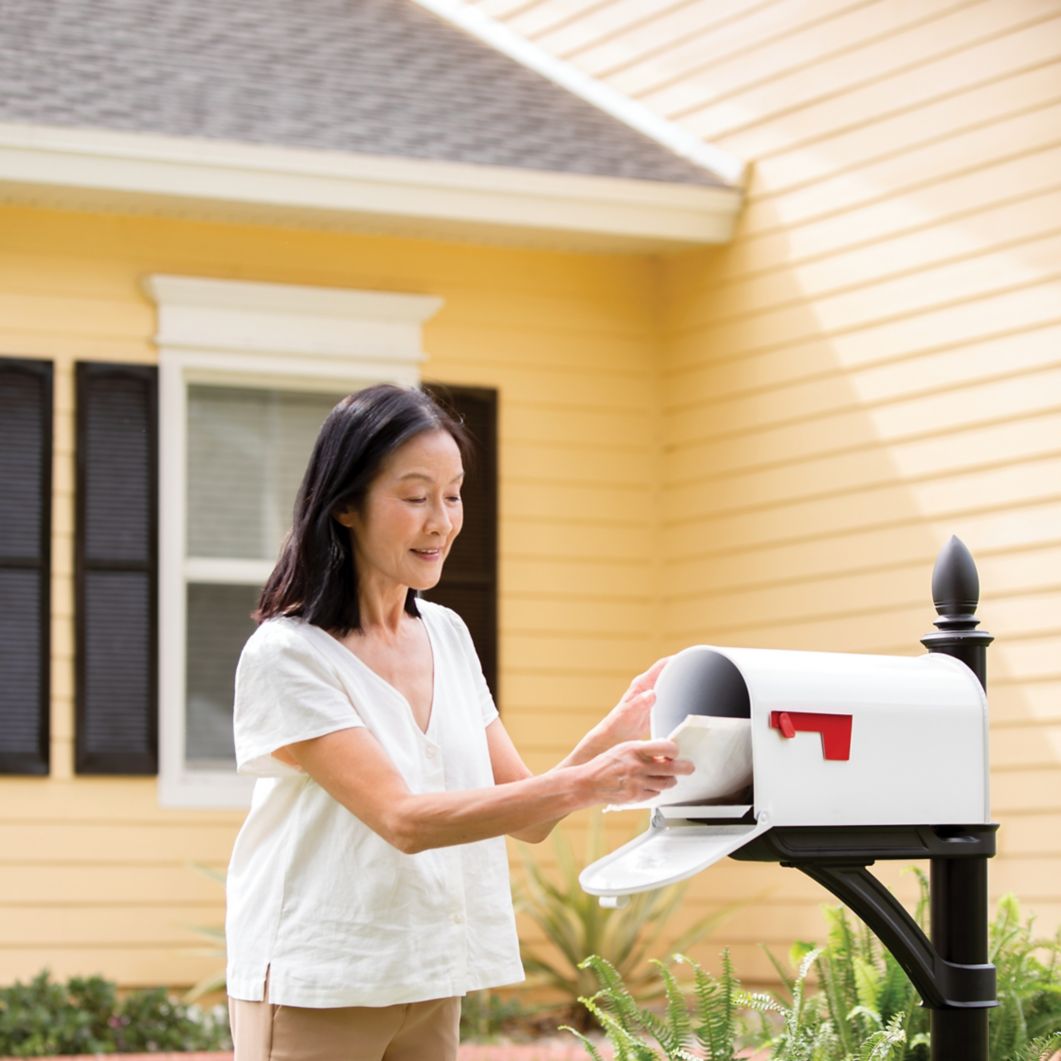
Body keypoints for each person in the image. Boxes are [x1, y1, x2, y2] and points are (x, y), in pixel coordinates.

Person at [224, 383, 692, 1061]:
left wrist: (610, 735)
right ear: (345, 505)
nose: (441, 520)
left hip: (427, 972)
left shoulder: (445, 634)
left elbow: (525, 813)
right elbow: (404, 819)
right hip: (320, 981)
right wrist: (592, 782)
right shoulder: (288, 653)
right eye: (414, 496)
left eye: (453, 493)